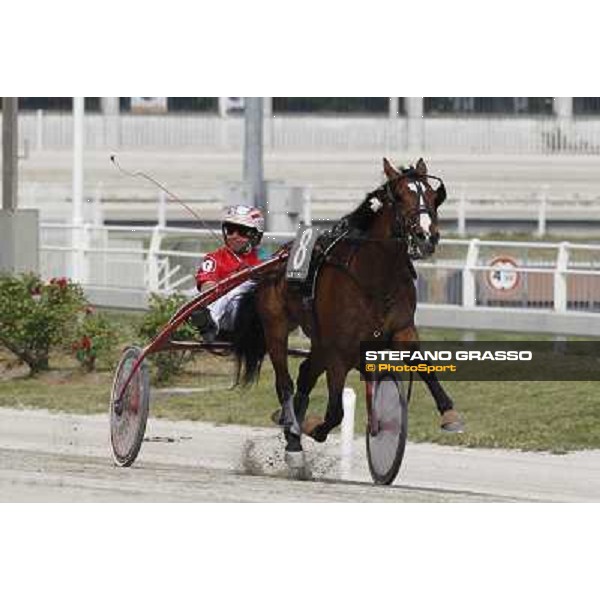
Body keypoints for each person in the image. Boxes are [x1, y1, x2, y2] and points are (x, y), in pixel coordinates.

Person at [192, 205, 267, 340]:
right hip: (227, 316)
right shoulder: (214, 258)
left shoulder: (264, 258)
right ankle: (209, 325)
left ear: (256, 235)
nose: (234, 236)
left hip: (256, 313)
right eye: (230, 230)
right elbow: (206, 287)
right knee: (235, 289)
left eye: (242, 231)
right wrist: (229, 284)